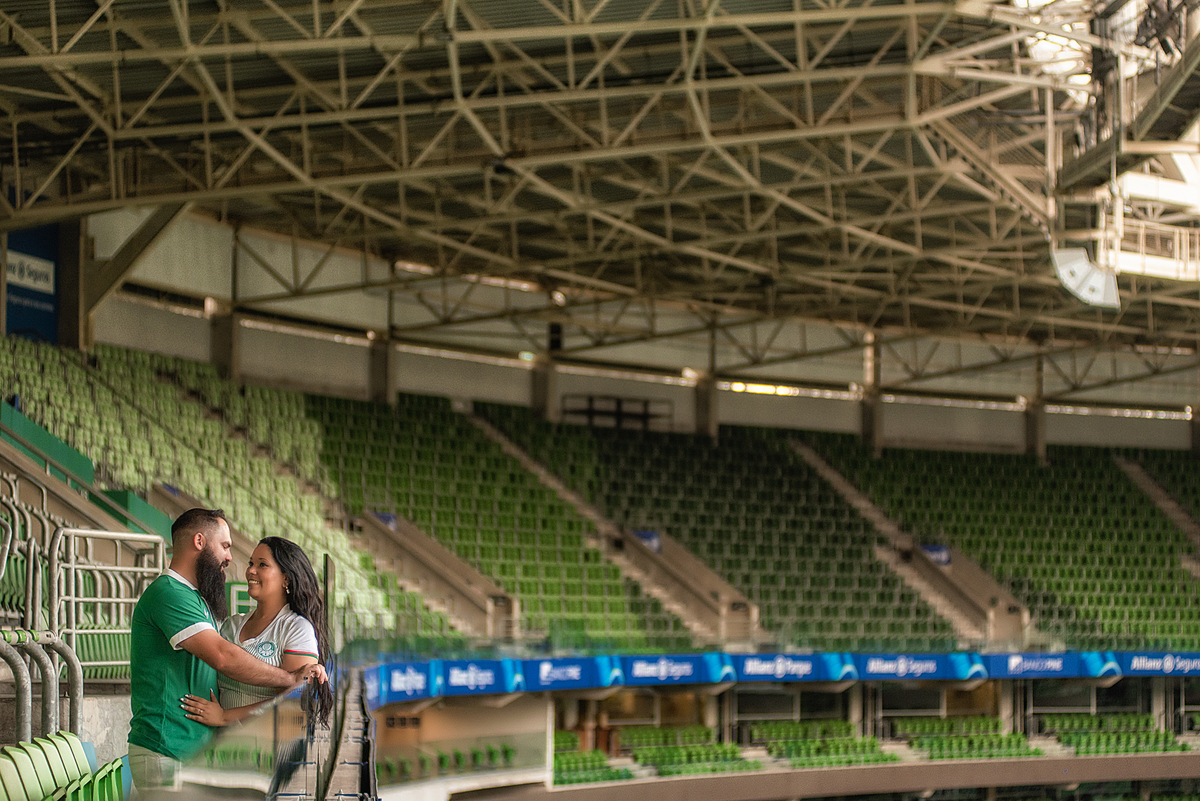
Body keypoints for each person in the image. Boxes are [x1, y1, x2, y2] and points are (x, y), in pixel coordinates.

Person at [128, 509, 327, 798]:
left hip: (208, 755)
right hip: (167, 748)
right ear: (199, 541)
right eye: (225, 546)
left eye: (262, 564)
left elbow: (297, 704)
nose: (232, 559)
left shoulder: (196, 599)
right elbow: (223, 657)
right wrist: (289, 678)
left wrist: (227, 717)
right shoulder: (169, 592)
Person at [180, 536, 334, 728]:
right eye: (251, 563)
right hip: (222, 748)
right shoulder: (232, 625)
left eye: (262, 565)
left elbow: (293, 705)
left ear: (285, 578)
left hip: (267, 751)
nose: (251, 570)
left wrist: (225, 716)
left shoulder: (296, 628)